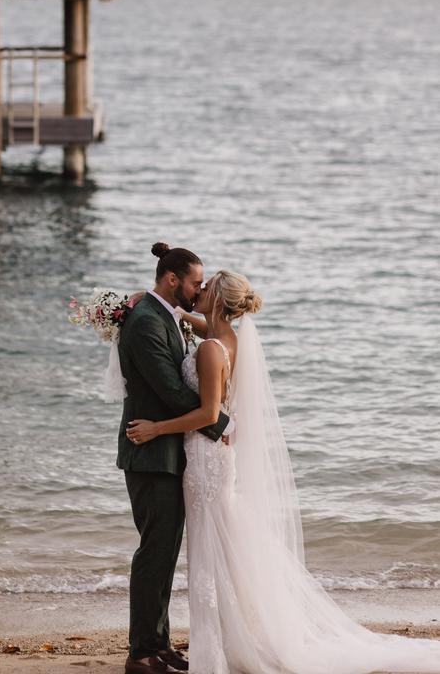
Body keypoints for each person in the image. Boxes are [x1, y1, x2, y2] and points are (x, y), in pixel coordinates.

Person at [127, 268, 440, 674]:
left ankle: (220, 647)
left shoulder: (209, 350)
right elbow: (206, 346)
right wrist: (166, 308)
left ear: (219, 301)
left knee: (211, 551)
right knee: (223, 546)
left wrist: (156, 428)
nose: (198, 292)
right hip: (216, 461)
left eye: (205, 289)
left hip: (204, 460)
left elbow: (207, 413)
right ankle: (236, 637)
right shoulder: (229, 340)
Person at [117, 243, 234, 673]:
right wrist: (218, 423)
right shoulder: (147, 321)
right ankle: (141, 654)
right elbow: (170, 389)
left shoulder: (163, 314)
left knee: (165, 552)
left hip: (169, 454)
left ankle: (159, 642)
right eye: (194, 282)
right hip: (149, 453)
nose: (197, 289)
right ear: (172, 281)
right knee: (154, 552)